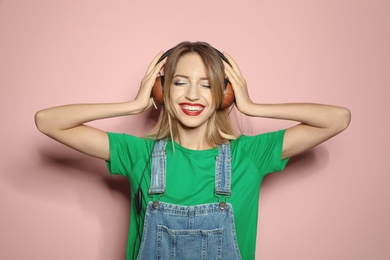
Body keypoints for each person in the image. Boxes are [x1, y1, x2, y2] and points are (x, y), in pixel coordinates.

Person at [35, 41, 351, 260]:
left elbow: (337, 119)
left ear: (224, 94)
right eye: (180, 82)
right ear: (162, 89)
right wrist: (133, 105)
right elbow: (48, 122)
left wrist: (254, 107)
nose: (192, 95)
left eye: (206, 84)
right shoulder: (138, 154)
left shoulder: (250, 155)